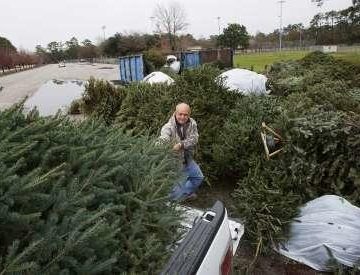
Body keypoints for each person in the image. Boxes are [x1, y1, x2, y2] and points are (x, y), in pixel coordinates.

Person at [158, 103, 204, 201]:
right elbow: (163, 139)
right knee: (174, 191)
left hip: (188, 160)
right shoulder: (168, 127)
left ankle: (185, 194)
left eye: (185, 115)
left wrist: (181, 145)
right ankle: (172, 205)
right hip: (175, 163)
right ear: (175, 113)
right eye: (180, 114)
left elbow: (194, 139)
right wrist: (162, 146)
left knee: (198, 177)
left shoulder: (192, 123)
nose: (182, 117)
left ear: (189, 115)